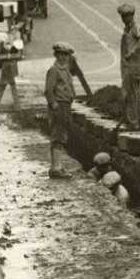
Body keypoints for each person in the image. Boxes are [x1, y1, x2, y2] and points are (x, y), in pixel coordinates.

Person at [44, 42, 77, 179]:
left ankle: (57, 166)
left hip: (66, 106)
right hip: (59, 106)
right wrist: (55, 106)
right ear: (56, 55)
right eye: (61, 55)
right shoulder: (54, 70)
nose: (63, 58)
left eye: (66, 55)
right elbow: (49, 91)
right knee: (58, 136)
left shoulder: (65, 69)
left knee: (62, 136)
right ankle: (56, 168)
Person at [117, 3, 140, 130]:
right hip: (128, 66)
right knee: (135, 94)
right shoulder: (128, 28)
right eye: (122, 17)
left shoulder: (135, 27)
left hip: (133, 67)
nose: (123, 19)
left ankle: (133, 122)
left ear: (131, 16)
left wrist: (132, 52)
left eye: (125, 16)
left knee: (129, 94)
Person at [0, 35, 23, 110]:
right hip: (8, 68)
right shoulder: (8, 48)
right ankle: (16, 105)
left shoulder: (5, 48)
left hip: (7, 67)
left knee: (4, 87)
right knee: (11, 87)